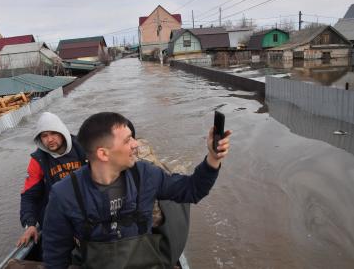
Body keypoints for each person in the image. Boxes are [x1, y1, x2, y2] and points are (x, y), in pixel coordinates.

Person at [42, 112, 231, 269]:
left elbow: (192, 190)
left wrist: (213, 158)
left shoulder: (146, 175)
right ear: (103, 153)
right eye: (127, 140)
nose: (136, 144)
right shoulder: (64, 194)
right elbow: (55, 255)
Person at [17, 112, 87, 249]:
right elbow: (29, 196)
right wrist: (30, 224)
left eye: (53, 133)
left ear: (62, 132)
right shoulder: (38, 160)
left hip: (85, 210)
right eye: (44, 135)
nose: (49, 139)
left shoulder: (82, 148)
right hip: (57, 214)